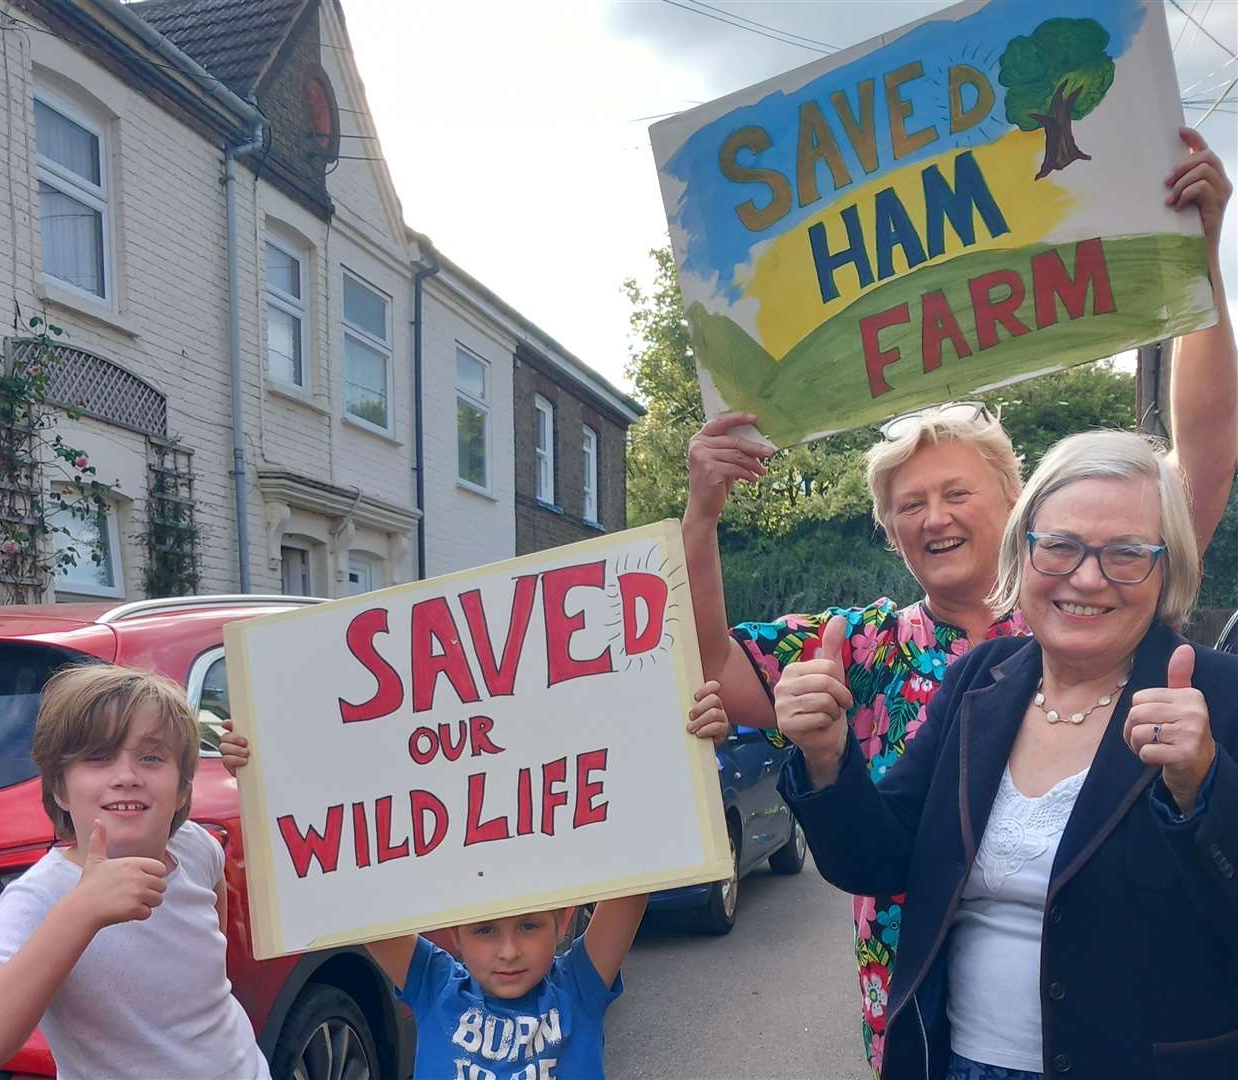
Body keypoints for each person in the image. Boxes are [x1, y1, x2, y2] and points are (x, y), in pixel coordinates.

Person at [683, 128, 1235, 1074]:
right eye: (907, 506)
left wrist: (1193, 262)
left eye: (954, 493)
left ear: (1012, 506)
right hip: (931, 1018)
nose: (1086, 576)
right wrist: (699, 518)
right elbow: (731, 684)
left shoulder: (1150, 644)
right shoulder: (873, 646)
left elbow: (1208, 447)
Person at [774, 430, 1238, 1080]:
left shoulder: (1217, 696)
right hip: (957, 1063)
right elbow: (877, 858)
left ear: (1168, 568)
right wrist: (826, 755)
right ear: (1022, 553)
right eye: (1059, 546)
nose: (1084, 577)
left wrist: (1203, 788)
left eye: (1125, 553)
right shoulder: (980, 680)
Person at [219, 683, 732, 1078]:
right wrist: (266, 774)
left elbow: (642, 871)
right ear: (456, 935)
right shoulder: (433, 984)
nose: (508, 950)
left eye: (529, 926)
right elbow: (347, 876)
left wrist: (686, 747)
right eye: (485, 930)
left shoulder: (580, 986)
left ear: (561, 924)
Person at [0, 665, 270, 1080]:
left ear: (183, 788)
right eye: (98, 758)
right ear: (60, 790)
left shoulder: (195, 847)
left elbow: (213, 922)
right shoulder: (43, 896)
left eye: (151, 757)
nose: (126, 777)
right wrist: (81, 913)